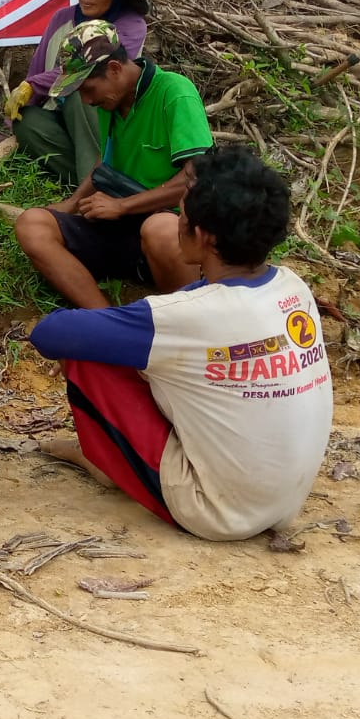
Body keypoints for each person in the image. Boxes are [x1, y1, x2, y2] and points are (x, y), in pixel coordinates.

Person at [27, 146, 333, 540]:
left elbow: (50, 332)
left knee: (87, 355)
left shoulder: (183, 316)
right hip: (284, 501)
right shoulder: (293, 286)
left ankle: (108, 462)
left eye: (181, 217)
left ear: (202, 236)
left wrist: (114, 332)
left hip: (215, 511)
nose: (176, 224)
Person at [14, 20, 212, 309]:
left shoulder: (174, 92)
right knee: (33, 224)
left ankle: (183, 314)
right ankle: (105, 316)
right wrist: (71, 203)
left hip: (170, 225)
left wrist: (123, 206)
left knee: (160, 229)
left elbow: (195, 177)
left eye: (88, 88)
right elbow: (102, 163)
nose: (86, 99)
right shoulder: (111, 100)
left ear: (115, 70)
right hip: (120, 222)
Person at [7, 0, 150, 186]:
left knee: (81, 90)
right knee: (26, 121)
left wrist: (34, 86)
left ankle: (96, 186)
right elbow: (38, 69)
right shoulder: (62, 18)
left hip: (106, 113)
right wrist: (21, 100)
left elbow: (89, 66)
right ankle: (93, 182)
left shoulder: (131, 25)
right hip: (59, 112)